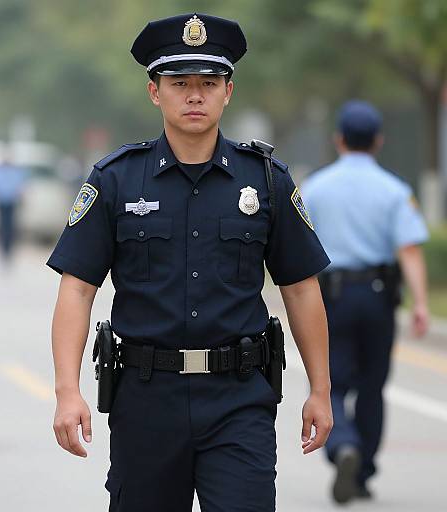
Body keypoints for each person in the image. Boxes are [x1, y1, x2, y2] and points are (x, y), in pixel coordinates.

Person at [47, 13, 333, 511]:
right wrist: (67, 391)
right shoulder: (116, 180)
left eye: (208, 83)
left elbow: (301, 288)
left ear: (229, 91)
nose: (195, 95)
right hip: (145, 400)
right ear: (155, 92)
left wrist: (321, 390)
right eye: (180, 84)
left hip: (239, 399)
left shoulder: (266, 181)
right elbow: (77, 289)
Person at [301, 100, 430, 505]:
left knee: (332, 381)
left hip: (332, 297)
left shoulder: (315, 188)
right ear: (378, 141)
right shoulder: (395, 190)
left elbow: (297, 252)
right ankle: (364, 469)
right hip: (377, 296)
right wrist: (421, 304)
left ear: (338, 139)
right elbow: (409, 251)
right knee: (373, 387)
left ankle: (343, 446)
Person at [0, 148, 26, 262]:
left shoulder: (15, 171)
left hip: (11, 201)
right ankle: (2, 248)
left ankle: (9, 248)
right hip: (0, 201)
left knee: (10, 226)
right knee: (1, 225)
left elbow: (20, 185)